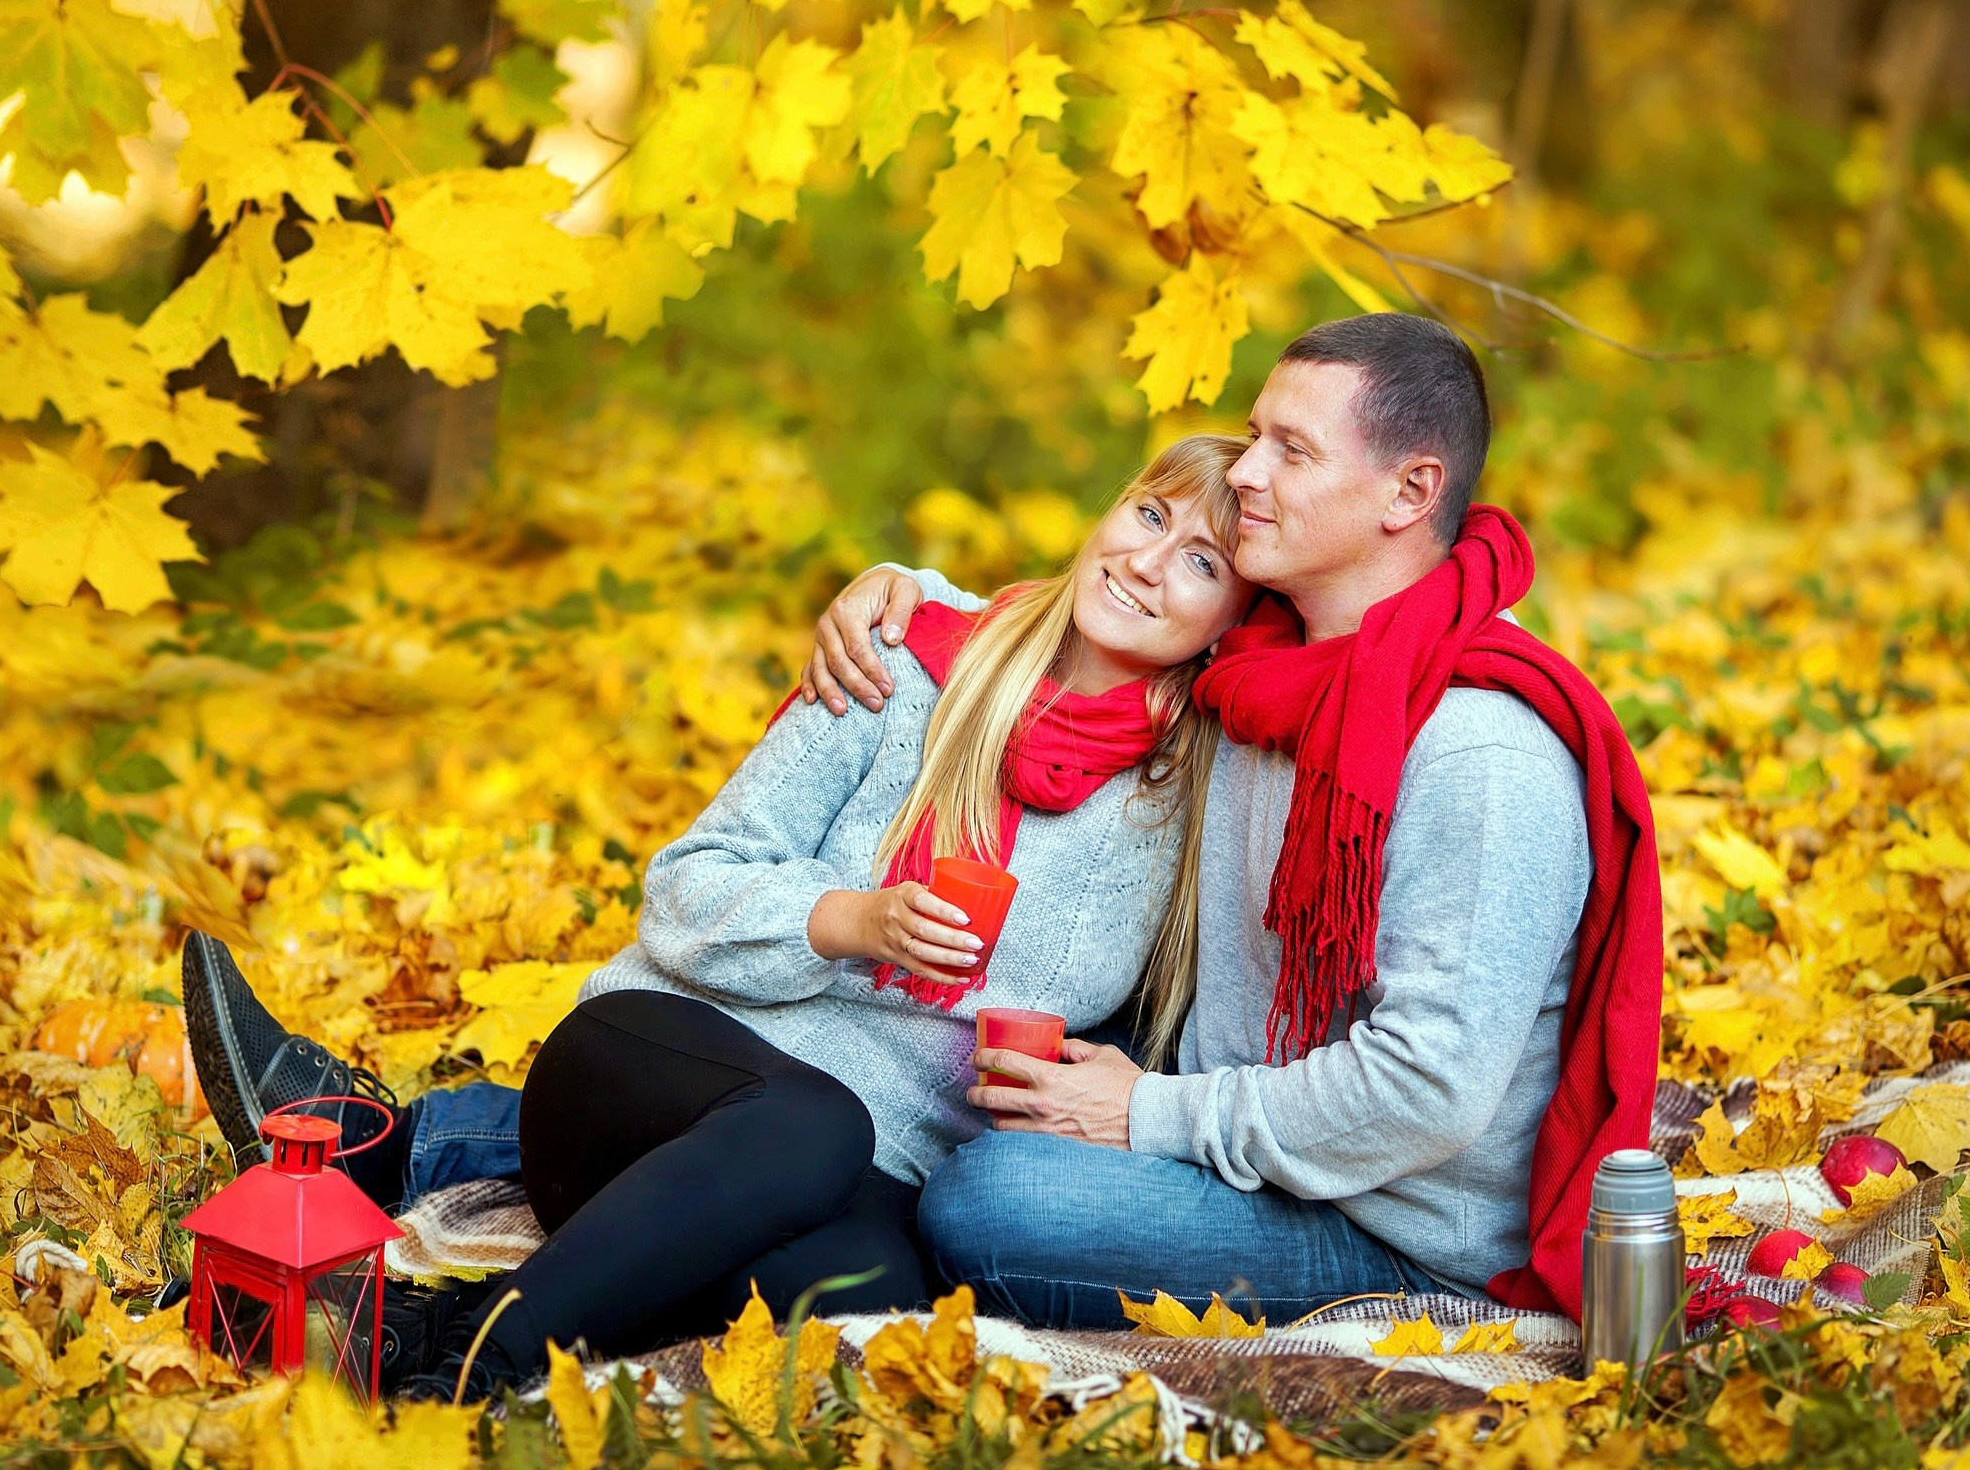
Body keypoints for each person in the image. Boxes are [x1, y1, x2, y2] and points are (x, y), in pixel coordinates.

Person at [180, 435, 1256, 1400]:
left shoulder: (1192, 801)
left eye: (1202, 562)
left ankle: (415, 1281)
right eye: (1147, 514)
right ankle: (467, 1364)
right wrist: (848, 920)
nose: (1148, 560)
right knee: (813, 1120)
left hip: (864, 1167)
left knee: (869, 1299)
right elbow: (686, 885)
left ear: (1232, 627)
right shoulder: (904, 659)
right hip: (654, 1071)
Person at [803, 314, 1663, 1329]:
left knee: (991, 1199)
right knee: (970, 1069)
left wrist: (1145, 1113)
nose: (1246, 473)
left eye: (1292, 451)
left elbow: (1426, 1088)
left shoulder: (1479, 751)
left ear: (1409, 493)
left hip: (1387, 1223)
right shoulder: (1261, 662)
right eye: (1256, 435)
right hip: (1228, 1112)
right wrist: (901, 593)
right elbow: (1096, 614)